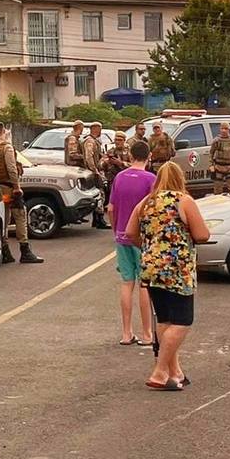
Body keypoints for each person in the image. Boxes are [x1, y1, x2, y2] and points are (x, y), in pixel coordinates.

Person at [126, 162, 209, 391]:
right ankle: (160, 371)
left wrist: (149, 248)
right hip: (178, 270)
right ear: (180, 178)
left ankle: (175, 373)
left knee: (164, 320)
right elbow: (202, 234)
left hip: (151, 269)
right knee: (182, 321)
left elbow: (130, 232)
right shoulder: (183, 200)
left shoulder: (146, 202)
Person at [107, 140, 156, 347]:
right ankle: (147, 334)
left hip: (122, 235)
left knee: (127, 283)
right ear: (149, 156)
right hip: (142, 238)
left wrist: (116, 228)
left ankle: (126, 333)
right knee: (144, 284)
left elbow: (110, 207)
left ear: (130, 156)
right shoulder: (150, 179)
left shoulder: (119, 177)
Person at [0, 122, 43, 264]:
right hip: (9, 187)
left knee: (4, 218)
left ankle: (5, 251)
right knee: (20, 216)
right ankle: (25, 250)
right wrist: (17, 187)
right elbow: (11, 168)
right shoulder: (6, 148)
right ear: (3, 131)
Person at [82, 121, 111, 229]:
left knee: (99, 195)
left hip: (94, 171)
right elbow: (89, 157)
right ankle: (100, 219)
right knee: (100, 194)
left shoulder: (94, 141)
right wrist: (95, 171)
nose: (100, 131)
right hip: (93, 172)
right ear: (95, 129)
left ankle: (96, 219)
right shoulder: (90, 141)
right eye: (100, 129)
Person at [208, 122, 230, 195]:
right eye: (222, 128)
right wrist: (211, 165)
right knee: (217, 188)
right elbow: (211, 153)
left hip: (229, 167)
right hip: (218, 167)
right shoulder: (216, 140)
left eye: (226, 129)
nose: (224, 130)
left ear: (229, 129)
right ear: (220, 129)